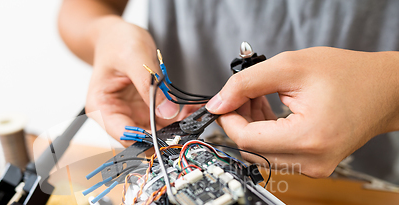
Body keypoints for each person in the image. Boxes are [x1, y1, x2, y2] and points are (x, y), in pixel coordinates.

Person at [58, 0, 399, 181]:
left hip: (368, 190)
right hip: (190, 166)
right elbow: (81, 8)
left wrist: (389, 90)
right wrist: (104, 35)